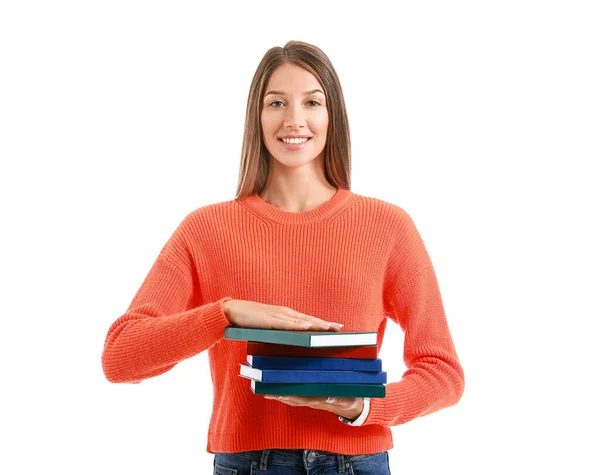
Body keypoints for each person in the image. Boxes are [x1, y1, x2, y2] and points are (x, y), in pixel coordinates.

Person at [101, 40, 465, 475]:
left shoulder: (387, 226)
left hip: (356, 460)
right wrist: (225, 315)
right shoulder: (206, 229)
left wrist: (363, 404)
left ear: (333, 116)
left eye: (312, 102)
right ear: (257, 115)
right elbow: (121, 357)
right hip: (248, 464)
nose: (295, 120)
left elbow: (443, 371)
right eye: (277, 103)